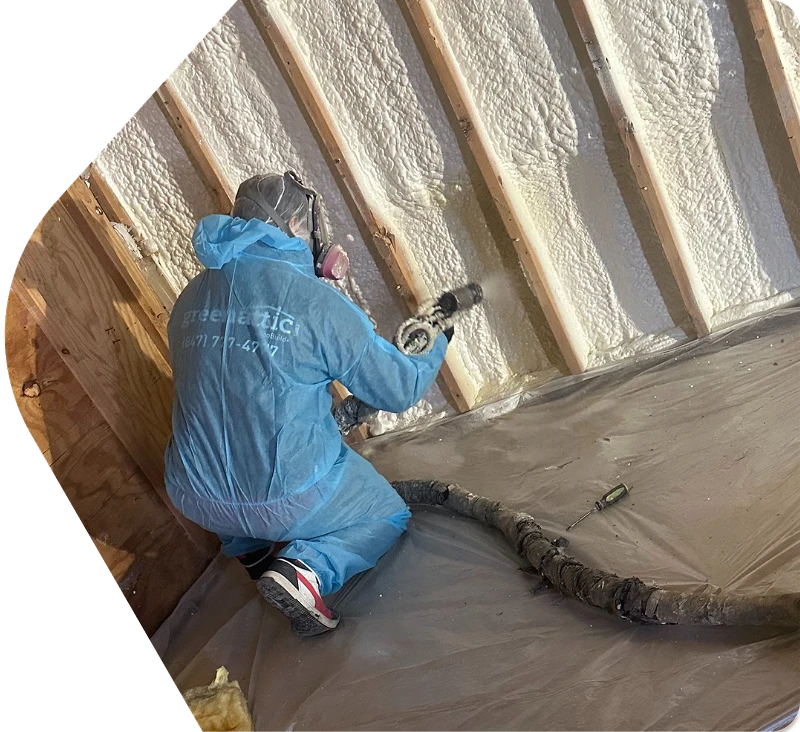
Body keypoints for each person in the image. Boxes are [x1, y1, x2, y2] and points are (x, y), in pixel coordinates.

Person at [164, 171, 451, 636]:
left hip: (195, 496)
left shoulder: (189, 299)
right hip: (287, 497)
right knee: (386, 512)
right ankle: (304, 572)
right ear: (297, 227)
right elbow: (398, 390)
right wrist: (435, 341)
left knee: (227, 444)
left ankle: (255, 552)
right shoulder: (315, 303)